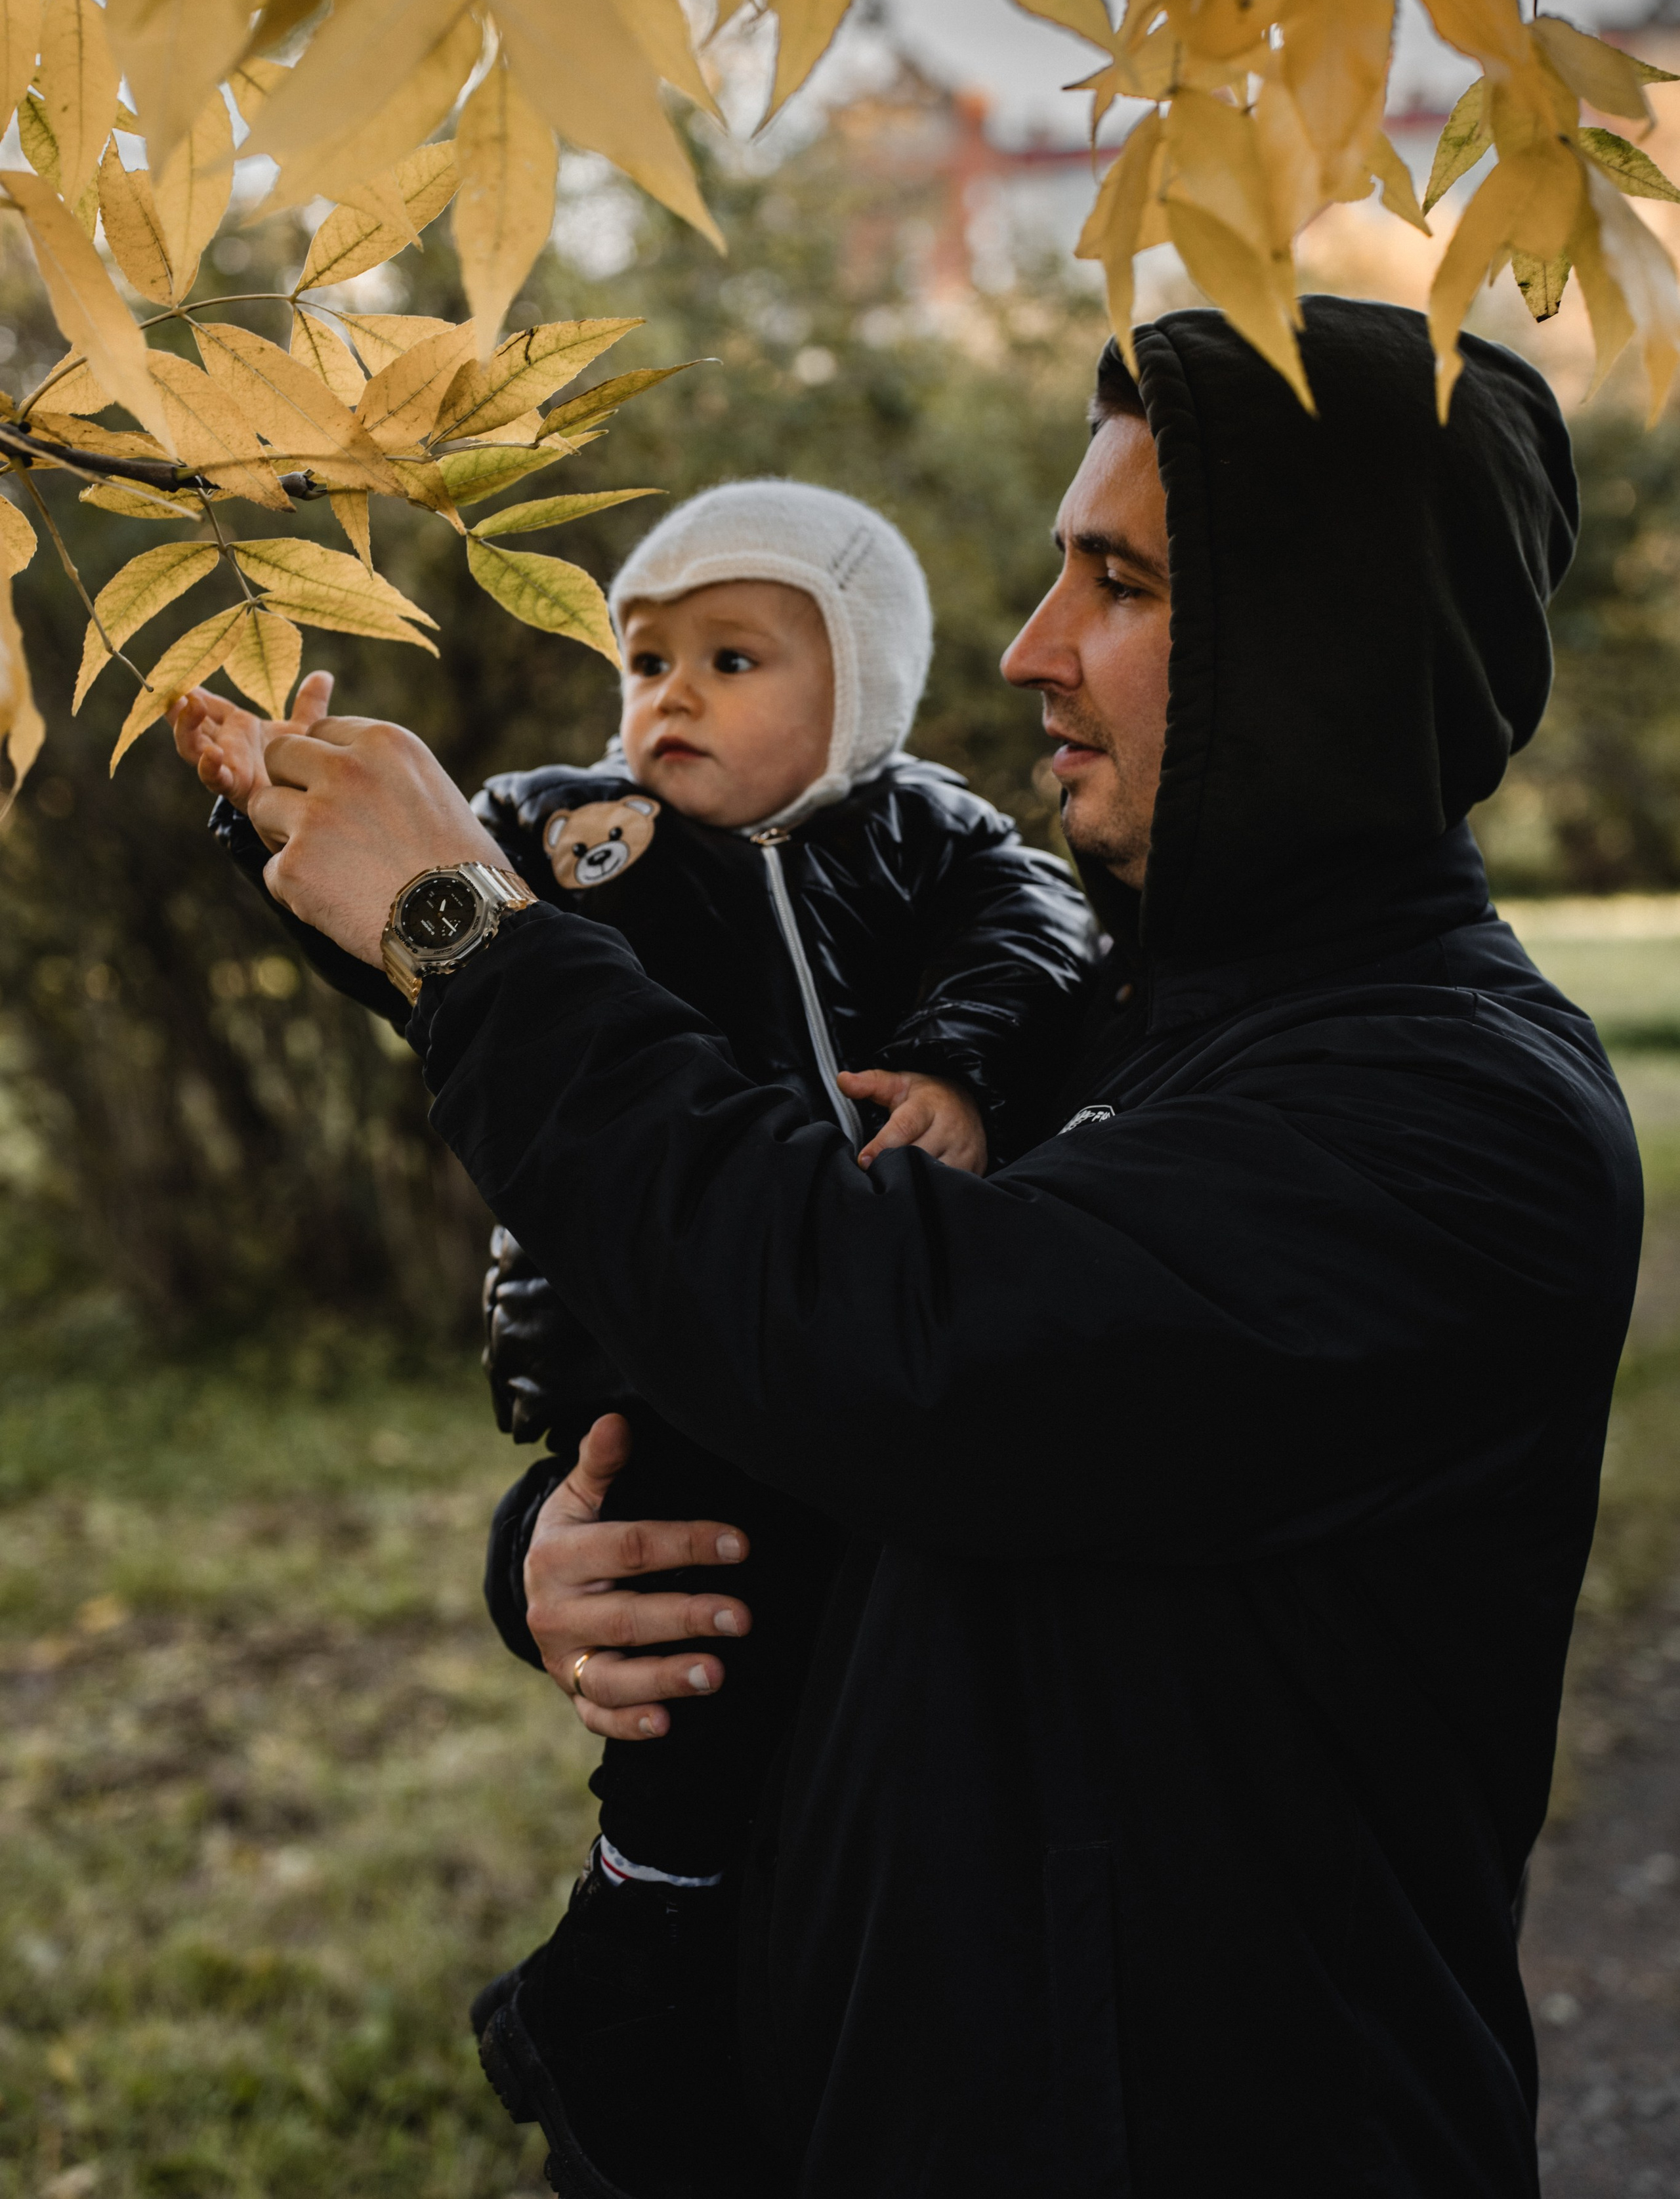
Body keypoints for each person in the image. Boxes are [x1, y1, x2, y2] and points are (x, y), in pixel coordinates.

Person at [204, 298, 1642, 2199]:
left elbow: (906, 1345)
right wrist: (572, 1555)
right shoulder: (1116, 1025)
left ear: (1322, 647)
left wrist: (474, 945)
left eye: (1115, 586)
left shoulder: (1453, 1116)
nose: (1031, 651)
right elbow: (799, 1351)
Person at [173, 479, 1095, 2197]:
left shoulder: (931, 839)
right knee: (685, 1661)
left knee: (819, 1678)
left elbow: (1043, 939)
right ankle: (638, 1945)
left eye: (732, 658)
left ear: (868, 692)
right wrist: (274, 820)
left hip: (857, 1322)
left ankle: (721, 1969)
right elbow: (413, 936)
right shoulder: (567, 829)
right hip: (636, 1366)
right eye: (645, 656)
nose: (667, 696)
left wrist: (965, 1068)